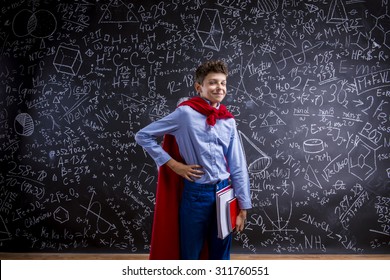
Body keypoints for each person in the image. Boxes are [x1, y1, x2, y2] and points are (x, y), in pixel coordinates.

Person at [135, 60, 252, 260]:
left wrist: (243, 205)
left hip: (224, 193)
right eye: (213, 82)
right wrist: (173, 165)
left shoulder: (228, 120)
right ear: (199, 87)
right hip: (196, 194)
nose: (219, 87)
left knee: (221, 254)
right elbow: (143, 136)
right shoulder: (185, 114)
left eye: (223, 83)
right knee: (190, 255)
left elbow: (237, 165)